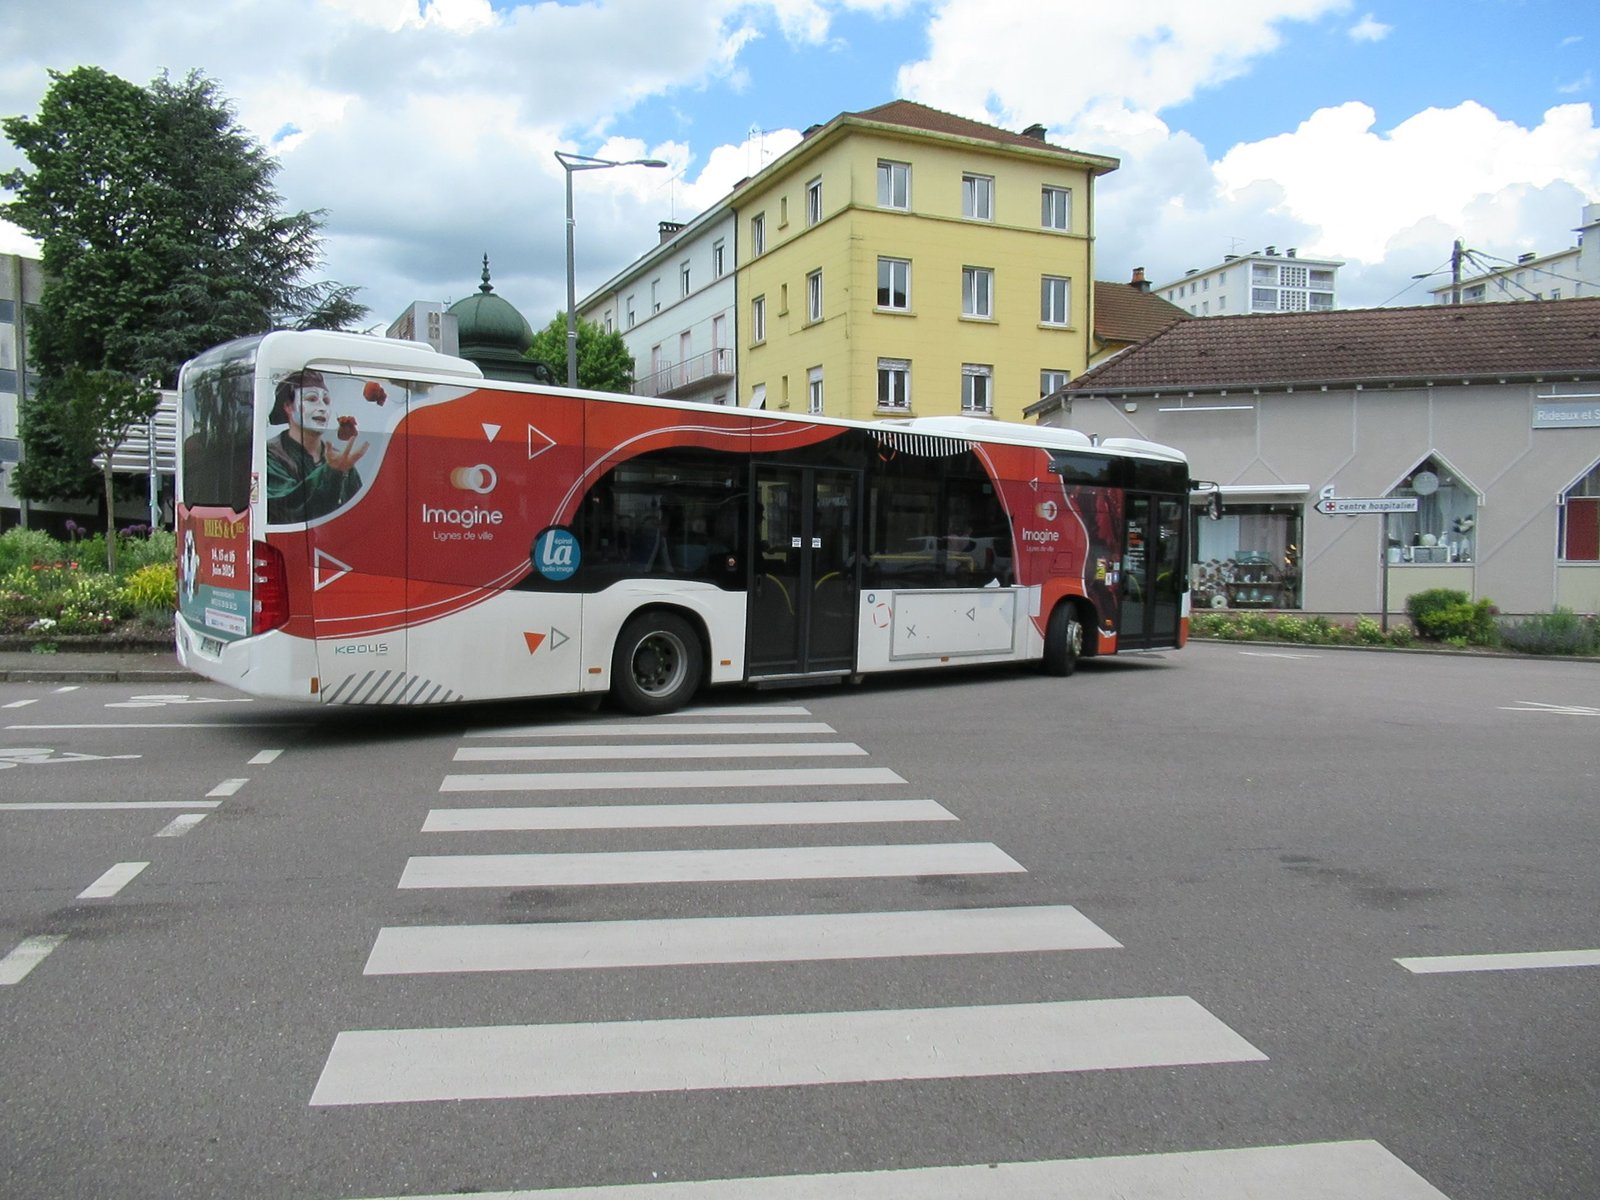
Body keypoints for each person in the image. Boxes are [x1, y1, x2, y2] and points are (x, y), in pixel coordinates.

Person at [265, 370, 368, 523]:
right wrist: (331, 472)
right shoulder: (270, 455)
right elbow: (288, 506)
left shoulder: (342, 461)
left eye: (326, 401)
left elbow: (361, 514)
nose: (322, 407)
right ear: (288, 406)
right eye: (311, 399)